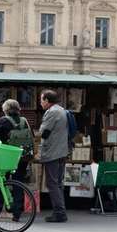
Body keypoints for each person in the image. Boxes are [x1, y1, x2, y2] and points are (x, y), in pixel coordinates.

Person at [38, 89, 77, 222]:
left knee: (52, 183)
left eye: (42, 99)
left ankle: (59, 213)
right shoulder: (61, 110)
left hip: (53, 152)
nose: (40, 102)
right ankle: (61, 211)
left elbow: (43, 132)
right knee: (58, 183)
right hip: (62, 151)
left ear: (47, 101)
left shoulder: (52, 112)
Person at [0, 99, 33, 221]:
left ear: (5, 110)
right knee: (18, 183)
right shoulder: (24, 121)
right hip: (22, 157)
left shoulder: (3, 121)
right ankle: (17, 214)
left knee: (1, 183)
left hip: (6, 157)